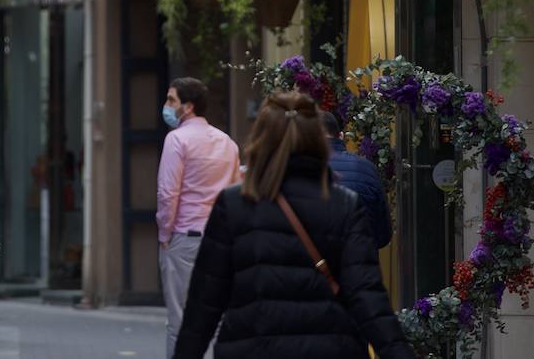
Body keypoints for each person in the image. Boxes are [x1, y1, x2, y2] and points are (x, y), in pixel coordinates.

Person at [174, 92, 414, 359]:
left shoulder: (233, 206)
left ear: (261, 140)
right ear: (317, 141)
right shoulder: (344, 206)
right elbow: (369, 300)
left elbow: (204, 305)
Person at [156, 77, 242, 359]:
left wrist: (165, 235)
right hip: (220, 240)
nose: (166, 106)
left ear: (188, 107)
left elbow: (168, 194)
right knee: (217, 319)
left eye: (171, 100)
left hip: (185, 238)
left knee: (179, 321)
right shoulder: (227, 143)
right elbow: (234, 194)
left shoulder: (176, 140)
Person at [321, 110, 392, 249]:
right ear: (341, 136)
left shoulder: (298, 169)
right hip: (360, 260)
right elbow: (383, 234)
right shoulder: (366, 169)